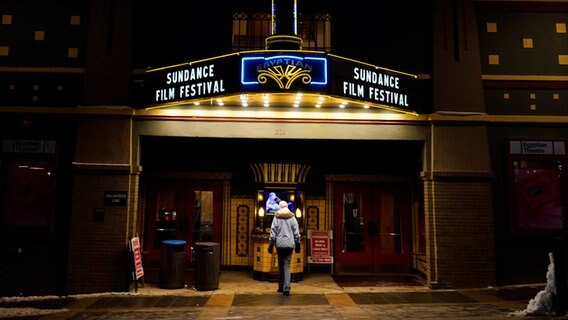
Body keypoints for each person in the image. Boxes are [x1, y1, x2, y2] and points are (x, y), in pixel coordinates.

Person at [268, 200, 301, 296]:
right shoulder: (292, 217)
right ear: (287, 206)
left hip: (280, 245)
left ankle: (280, 286)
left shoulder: (276, 217)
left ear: (280, 207)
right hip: (290, 245)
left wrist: (271, 244)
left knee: (281, 265)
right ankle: (286, 288)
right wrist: (298, 243)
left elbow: (273, 232)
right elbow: (296, 232)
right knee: (287, 265)